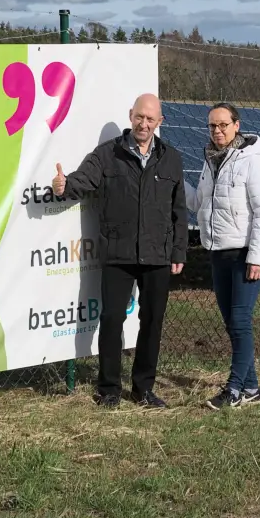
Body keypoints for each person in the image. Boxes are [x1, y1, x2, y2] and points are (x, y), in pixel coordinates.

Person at [52, 93, 187, 408]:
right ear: (131, 116)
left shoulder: (172, 158)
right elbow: (81, 181)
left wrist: (178, 251)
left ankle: (144, 389)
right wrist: (63, 187)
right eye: (139, 117)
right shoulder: (107, 154)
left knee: (152, 321)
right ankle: (109, 389)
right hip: (118, 252)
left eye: (150, 119)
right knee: (111, 319)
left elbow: (179, 209)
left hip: (157, 253)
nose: (143, 123)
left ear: (159, 122)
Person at [184, 102, 260, 410]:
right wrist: (172, 180)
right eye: (212, 126)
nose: (217, 131)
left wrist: (258, 258)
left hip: (244, 252)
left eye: (223, 125)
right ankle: (251, 388)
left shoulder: (252, 160)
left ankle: (233, 389)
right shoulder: (210, 161)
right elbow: (197, 203)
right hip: (217, 251)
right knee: (231, 321)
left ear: (237, 125)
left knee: (240, 320)